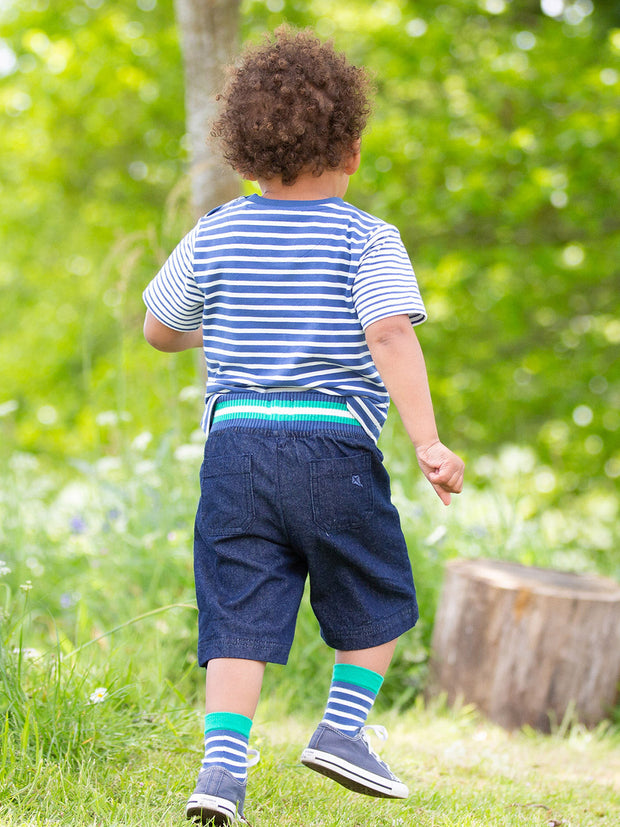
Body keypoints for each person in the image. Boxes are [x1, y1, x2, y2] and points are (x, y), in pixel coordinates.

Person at [143, 25, 464, 825]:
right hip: (332, 447)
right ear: (352, 150)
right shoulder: (366, 237)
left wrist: (209, 325)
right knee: (378, 586)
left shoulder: (216, 229)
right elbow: (389, 332)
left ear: (244, 157)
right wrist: (428, 441)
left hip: (236, 448)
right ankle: (343, 728)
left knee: (238, 609)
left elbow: (158, 325)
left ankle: (221, 769)